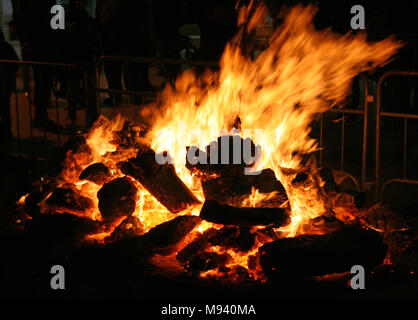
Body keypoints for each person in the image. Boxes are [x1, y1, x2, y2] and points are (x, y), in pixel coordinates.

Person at [12, 0, 62, 132]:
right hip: (42, 47)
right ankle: (41, 116)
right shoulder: (38, 6)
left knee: (43, 82)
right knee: (43, 82)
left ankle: (41, 115)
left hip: (40, 47)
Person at [0, 29, 19, 150]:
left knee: (4, 109)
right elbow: (16, 63)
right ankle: (6, 133)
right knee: (5, 109)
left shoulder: (5, 47)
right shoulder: (6, 47)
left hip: (4, 83)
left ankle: (5, 134)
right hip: (6, 84)